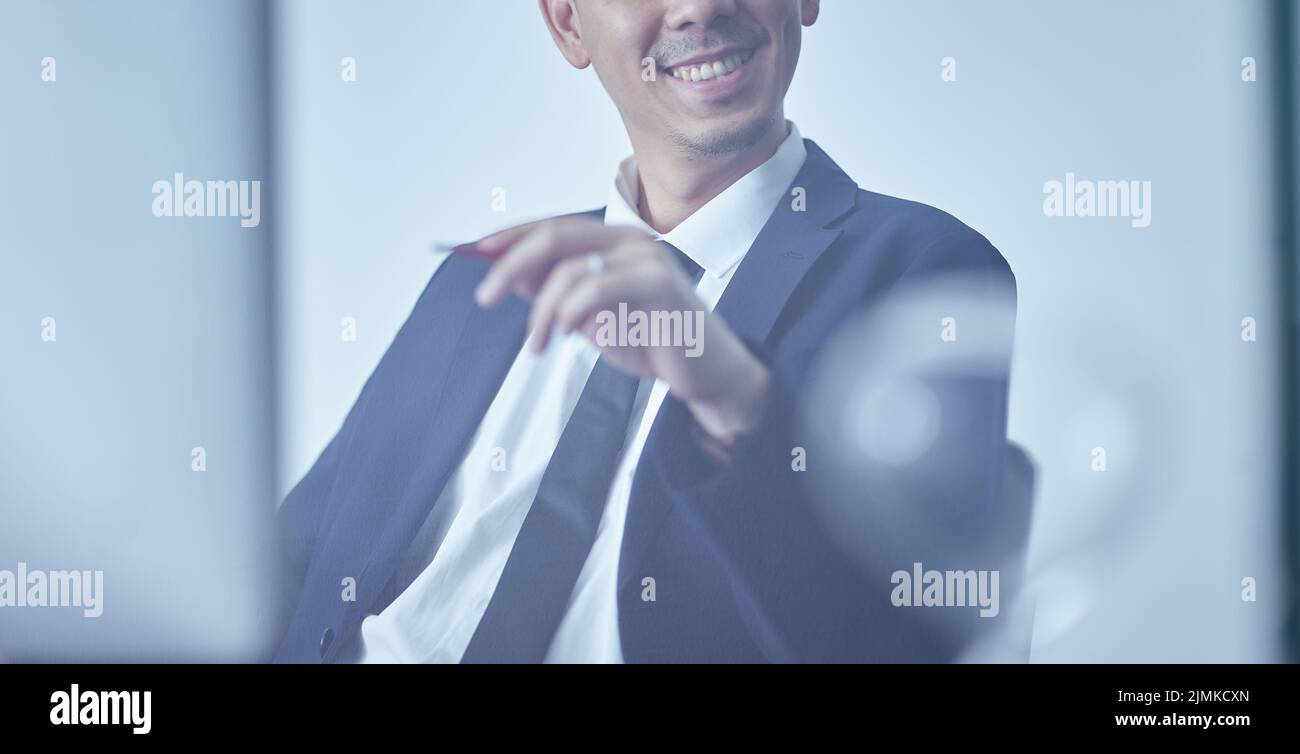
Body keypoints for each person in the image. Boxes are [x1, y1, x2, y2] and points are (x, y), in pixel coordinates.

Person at [273, 0, 1017, 663]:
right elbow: (291, 568)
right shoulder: (482, 280)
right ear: (569, 24)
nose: (699, 7)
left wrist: (734, 396)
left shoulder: (927, 273)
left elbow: (908, 639)